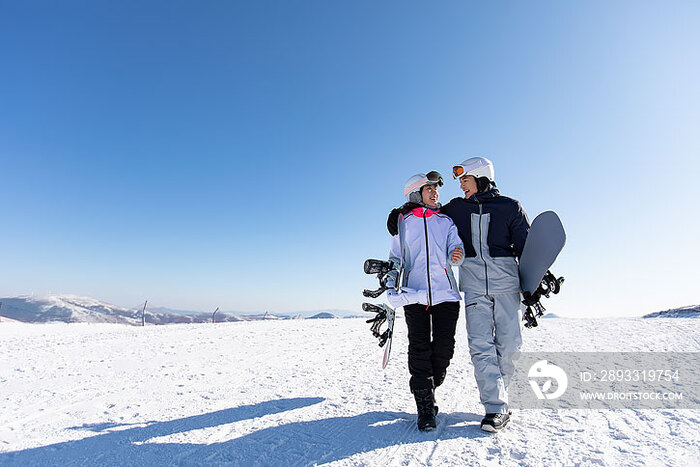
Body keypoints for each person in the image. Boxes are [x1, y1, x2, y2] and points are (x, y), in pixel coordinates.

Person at [388, 157, 529, 433]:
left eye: (465, 180)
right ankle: (493, 407)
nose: (459, 186)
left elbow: (526, 247)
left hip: (501, 285)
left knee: (509, 346)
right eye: (460, 182)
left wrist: (532, 284)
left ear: (480, 177)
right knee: (480, 348)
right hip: (468, 286)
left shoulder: (508, 207)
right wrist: (399, 211)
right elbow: (414, 225)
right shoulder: (449, 210)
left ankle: (500, 396)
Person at [385, 170, 464, 432]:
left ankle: (429, 385)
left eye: (436, 189)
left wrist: (457, 253)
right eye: (429, 189)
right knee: (419, 349)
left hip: (445, 295)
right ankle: (425, 408)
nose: (435, 193)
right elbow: (396, 258)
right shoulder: (403, 223)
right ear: (416, 194)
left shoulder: (445, 221)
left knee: (444, 350)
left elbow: (458, 246)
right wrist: (390, 284)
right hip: (414, 294)